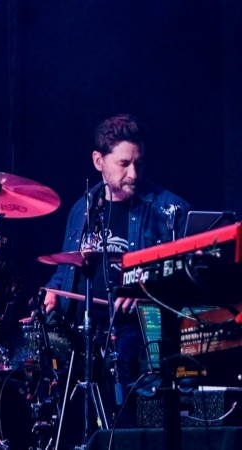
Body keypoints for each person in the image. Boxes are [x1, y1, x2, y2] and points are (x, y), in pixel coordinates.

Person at [42, 113, 191, 426]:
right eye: (124, 164)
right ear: (99, 161)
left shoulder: (170, 210)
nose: (133, 173)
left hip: (143, 341)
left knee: (146, 427)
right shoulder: (83, 208)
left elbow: (193, 278)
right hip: (86, 339)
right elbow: (66, 267)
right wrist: (54, 290)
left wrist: (147, 289)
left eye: (139, 163)